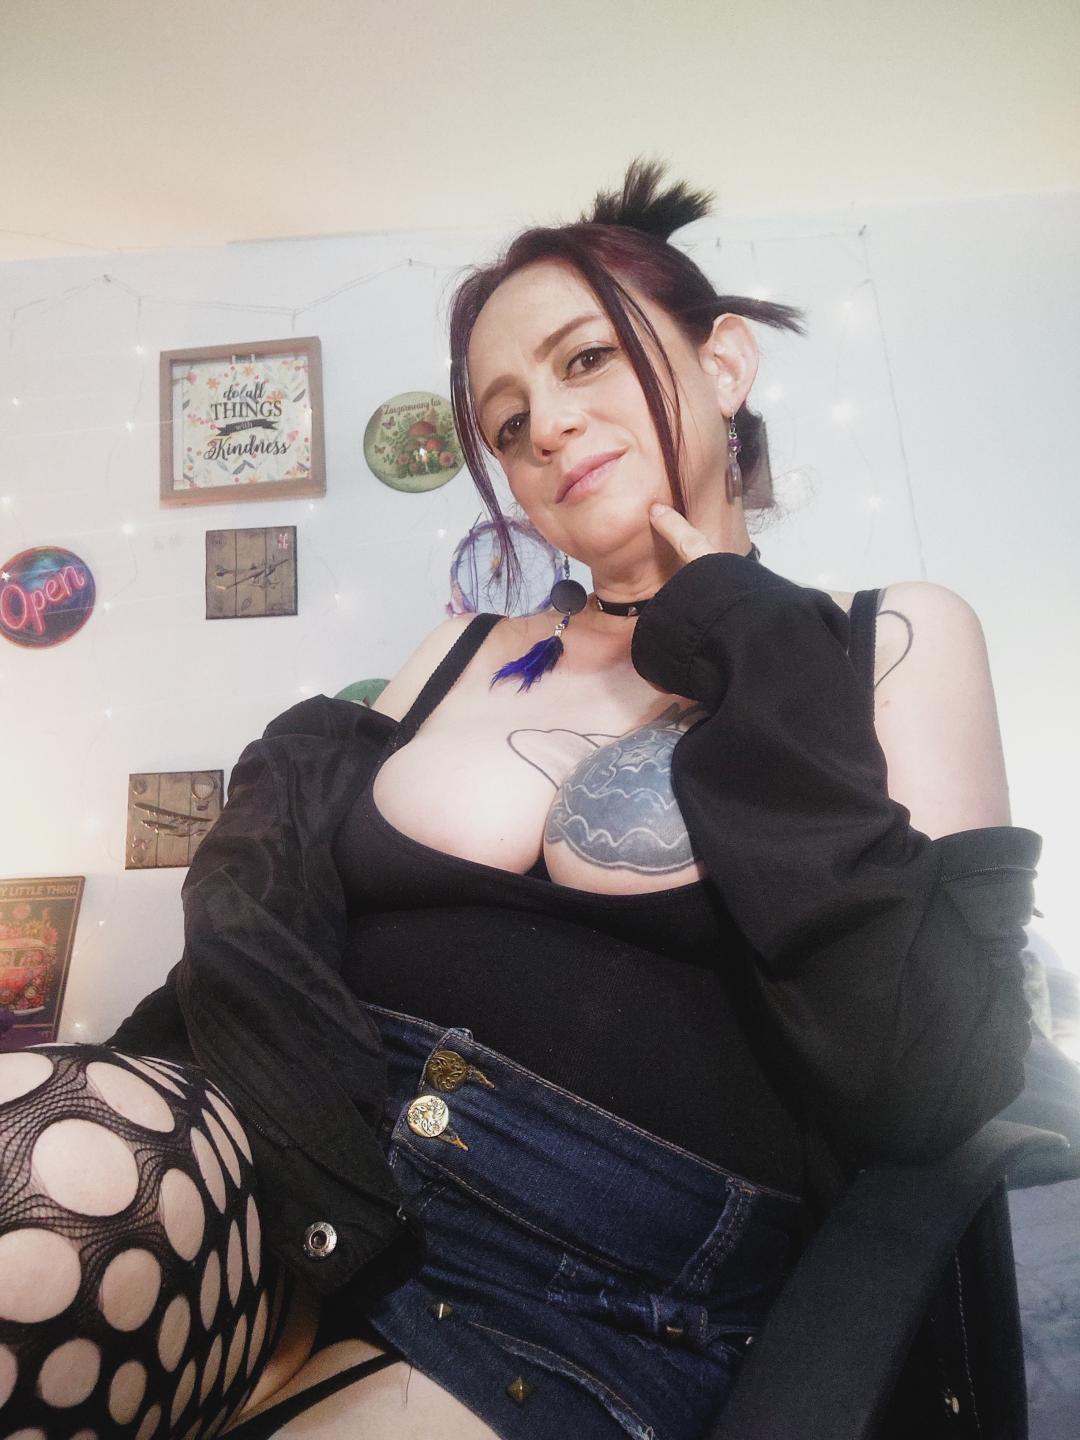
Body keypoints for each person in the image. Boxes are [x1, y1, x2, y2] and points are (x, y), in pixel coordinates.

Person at [0, 159, 1041, 1439]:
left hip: (586, 1283)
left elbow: (928, 1072)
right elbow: (267, 929)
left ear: (724, 364)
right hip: (298, 1163)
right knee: (30, 1195)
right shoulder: (457, 649)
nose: (543, 427)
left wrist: (733, 620)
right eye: (504, 422)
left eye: (586, 359)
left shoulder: (889, 638)